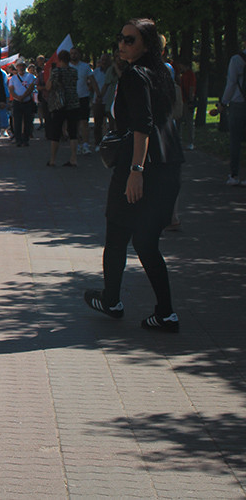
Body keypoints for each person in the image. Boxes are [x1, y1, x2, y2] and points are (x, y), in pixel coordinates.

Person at [84, 18, 184, 331]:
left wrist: (136, 171)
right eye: (121, 38)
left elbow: (143, 125)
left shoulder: (135, 75)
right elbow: (170, 115)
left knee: (117, 232)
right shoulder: (161, 73)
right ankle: (164, 312)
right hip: (168, 161)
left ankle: (113, 300)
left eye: (130, 40)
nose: (122, 44)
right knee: (145, 241)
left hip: (141, 165)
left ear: (146, 45)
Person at [217, 40, 246, 185]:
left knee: (235, 141)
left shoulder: (237, 60)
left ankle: (234, 175)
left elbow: (231, 83)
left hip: (238, 103)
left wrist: (223, 102)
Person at [45, 50, 80, 167]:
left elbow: (49, 87)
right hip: (73, 103)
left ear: (59, 60)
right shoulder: (74, 71)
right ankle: (74, 158)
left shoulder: (56, 72)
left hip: (59, 105)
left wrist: (50, 75)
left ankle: (53, 159)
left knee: (56, 132)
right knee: (73, 132)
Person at [8, 61, 36, 147]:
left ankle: (26, 139)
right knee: (17, 121)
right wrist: (17, 97)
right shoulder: (13, 78)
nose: (21, 68)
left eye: (22, 66)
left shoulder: (30, 76)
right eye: (19, 66)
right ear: (16, 68)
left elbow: (31, 88)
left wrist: (23, 96)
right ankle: (18, 139)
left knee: (28, 121)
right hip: (17, 102)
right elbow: (11, 89)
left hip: (27, 101)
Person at [71, 48, 94, 155]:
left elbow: (92, 81)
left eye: (75, 53)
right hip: (71, 99)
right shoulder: (67, 67)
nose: (73, 55)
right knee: (74, 123)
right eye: (71, 53)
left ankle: (85, 144)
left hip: (83, 97)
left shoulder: (85, 66)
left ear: (79, 54)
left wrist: (96, 93)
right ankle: (77, 144)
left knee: (84, 122)